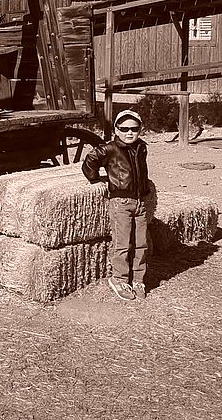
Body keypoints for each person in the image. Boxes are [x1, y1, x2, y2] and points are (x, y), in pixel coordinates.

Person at [81, 109, 152, 301]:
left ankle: (138, 278)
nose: (129, 133)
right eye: (124, 128)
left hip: (140, 203)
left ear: (140, 130)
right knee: (122, 244)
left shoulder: (141, 147)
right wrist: (95, 179)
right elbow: (90, 160)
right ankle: (119, 279)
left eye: (134, 129)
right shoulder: (110, 149)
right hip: (121, 203)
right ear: (117, 129)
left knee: (141, 244)